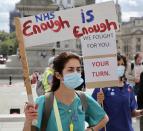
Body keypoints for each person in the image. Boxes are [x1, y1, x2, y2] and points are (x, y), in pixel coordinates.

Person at [23, 52, 108, 131]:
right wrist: (28, 120)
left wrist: (92, 129)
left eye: (78, 70)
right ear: (58, 75)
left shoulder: (83, 98)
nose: (76, 73)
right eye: (70, 70)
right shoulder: (43, 101)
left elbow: (104, 118)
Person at [92, 54, 143, 131]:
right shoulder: (102, 87)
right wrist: (98, 102)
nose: (120, 67)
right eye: (117, 64)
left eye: (122, 64)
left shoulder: (128, 88)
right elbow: (92, 112)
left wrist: (141, 112)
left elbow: (132, 113)